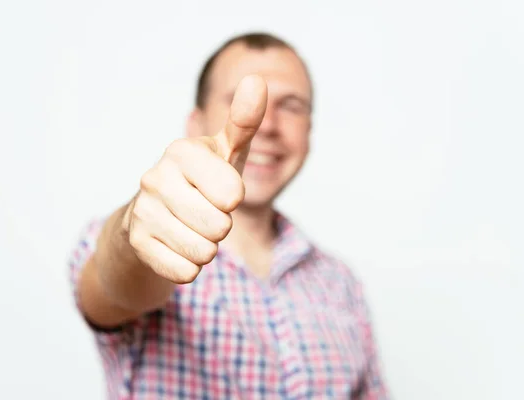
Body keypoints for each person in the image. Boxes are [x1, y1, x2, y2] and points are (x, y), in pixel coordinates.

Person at [69, 32, 389, 399]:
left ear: (309, 132)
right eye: (239, 100)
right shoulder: (141, 233)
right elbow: (115, 283)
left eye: (291, 105)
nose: (267, 127)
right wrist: (132, 234)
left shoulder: (340, 283)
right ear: (196, 123)